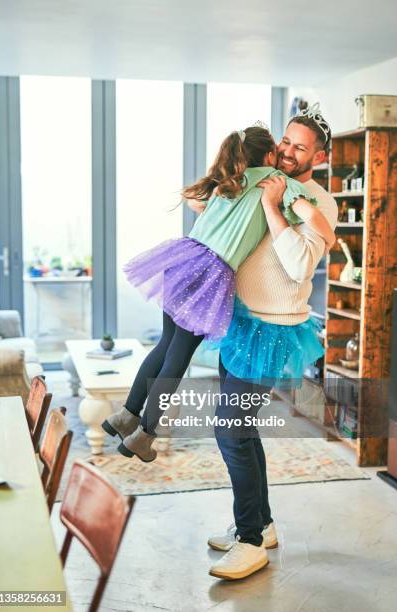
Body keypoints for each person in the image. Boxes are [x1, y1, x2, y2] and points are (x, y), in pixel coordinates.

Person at [102, 121, 335, 463]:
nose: (286, 153)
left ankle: (125, 415)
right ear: (270, 154)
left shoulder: (231, 179)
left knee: (165, 347)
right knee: (177, 359)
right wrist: (327, 235)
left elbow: (201, 204)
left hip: (182, 262)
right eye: (283, 145)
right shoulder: (277, 183)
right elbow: (311, 214)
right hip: (211, 275)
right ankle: (144, 436)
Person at [207, 103, 339, 580]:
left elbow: (301, 265)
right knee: (242, 430)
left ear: (317, 157)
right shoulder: (267, 177)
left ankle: (249, 542)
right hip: (240, 322)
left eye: (299, 147)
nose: (286, 151)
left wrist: (271, 207)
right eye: (286, 140)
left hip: (273, 329)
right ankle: (259, 524)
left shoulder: (317, 201)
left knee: (231, 430)